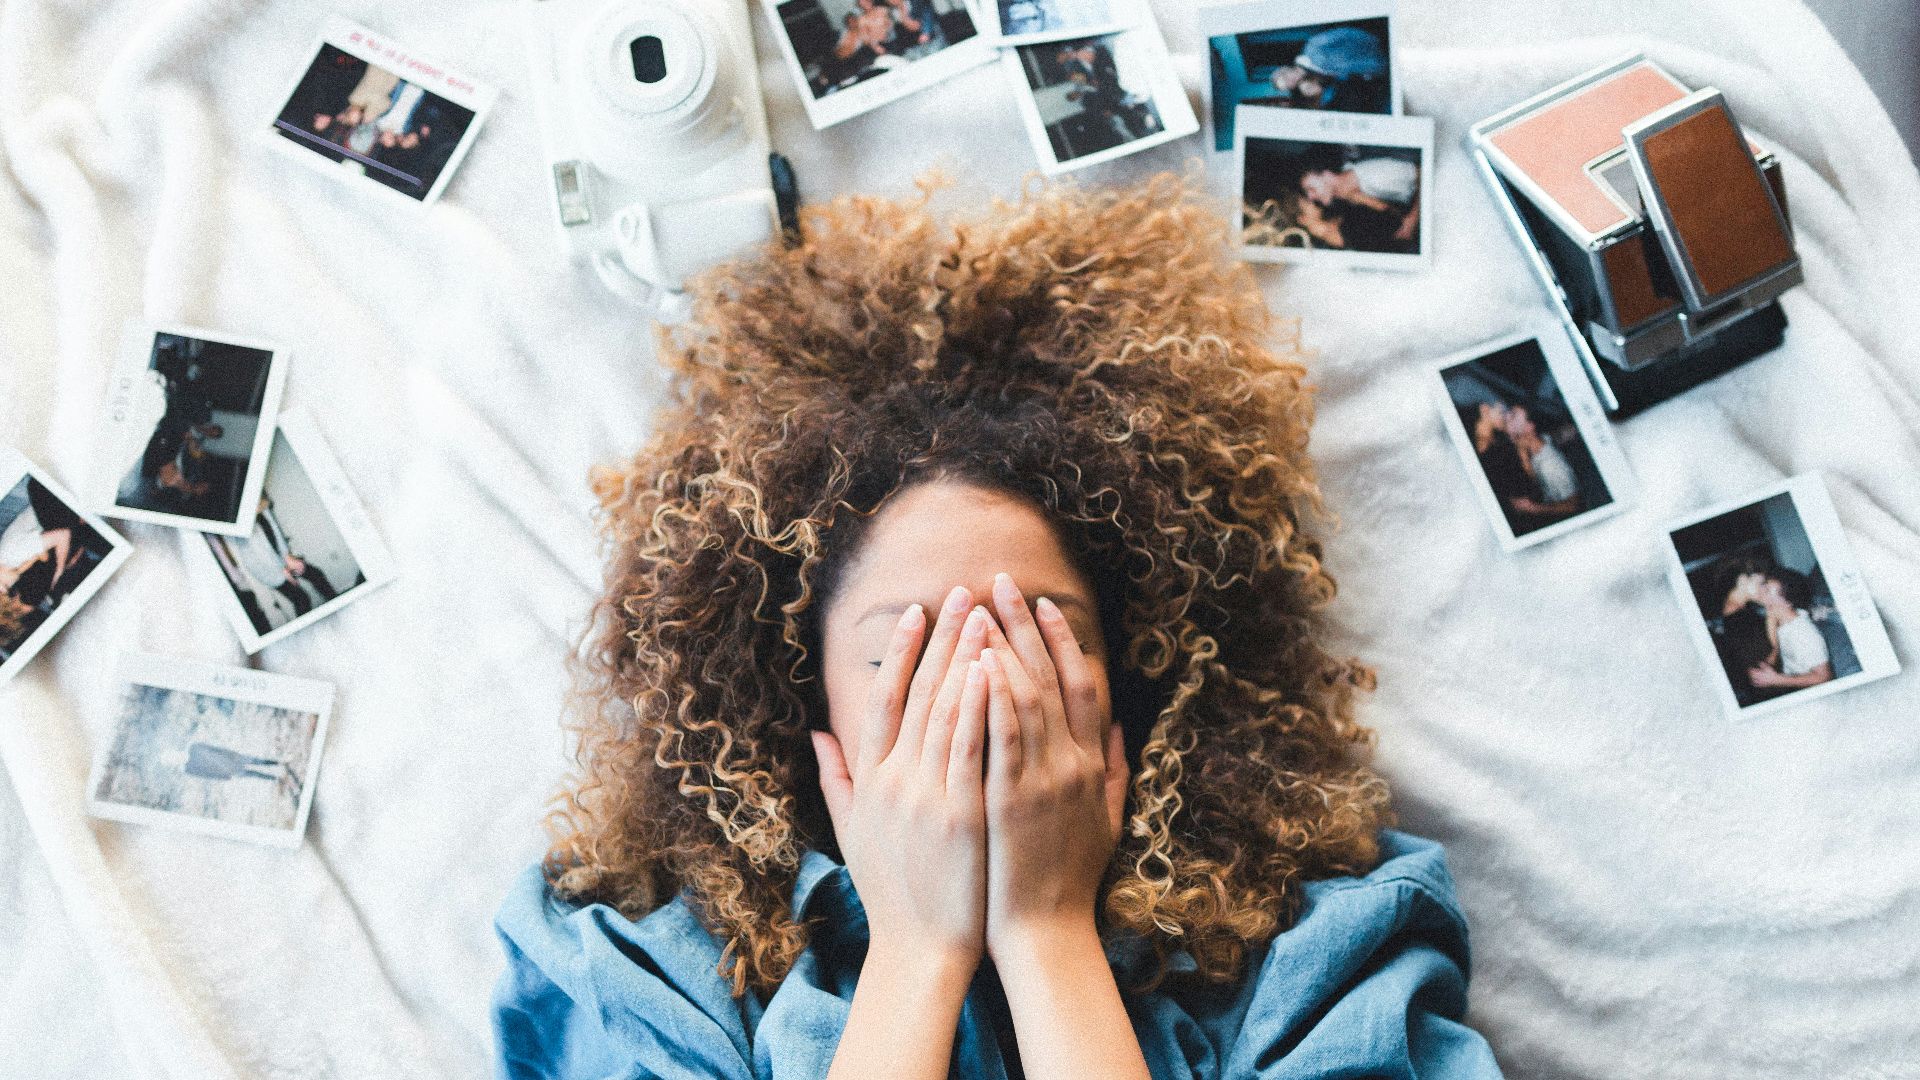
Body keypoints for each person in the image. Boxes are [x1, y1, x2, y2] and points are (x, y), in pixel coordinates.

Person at [489, 176, 1502, 1078]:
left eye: (1037, 638)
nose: (979, 691)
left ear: (1139, 672)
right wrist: (916, 950)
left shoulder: (1329, 947)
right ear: (804, 693)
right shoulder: (640, 962)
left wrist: (1048, 933)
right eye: (905, 652)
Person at [1266, 26, 1390, 113]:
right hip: (1377, 70)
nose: (1291, 82)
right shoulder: (1313, 80)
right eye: (1288, 86)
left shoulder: (1312, 47)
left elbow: (1345, 33)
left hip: (1379, 51)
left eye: (1286, 78)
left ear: (1286, 69)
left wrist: (1375, 42)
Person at [1748, 568, 1834, 691]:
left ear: (1788, 602)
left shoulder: (1803, 633)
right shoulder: (1781, 619)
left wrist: (1776, 679)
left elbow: (1825, 677)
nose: (1761, 592)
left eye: (1767, 591)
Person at [156, 743, 293, 784]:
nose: (174, 758)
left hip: (232, 758)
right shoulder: (187, 769)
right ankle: (278, 779)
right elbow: (206, 775)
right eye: (171, 760)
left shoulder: (193, 747)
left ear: (174, 751)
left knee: (257, 761)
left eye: (172, 755)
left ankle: (281, 763)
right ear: (173, 763)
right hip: (227, 771)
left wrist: (231, 752)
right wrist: (224, 777)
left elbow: (215, 748)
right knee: (254, 774)